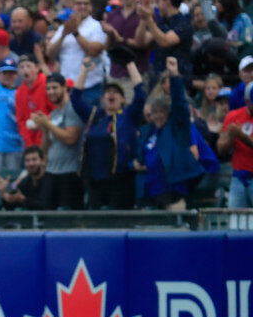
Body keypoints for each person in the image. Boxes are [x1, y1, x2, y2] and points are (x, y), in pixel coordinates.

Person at [71, 59, 145, 209]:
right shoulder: (95, 116)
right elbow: (75, 98)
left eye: (116, 92)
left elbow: (140, 95)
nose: (111, 94)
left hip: (121, 178)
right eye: (107, 92)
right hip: (95, 178)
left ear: (123, 99)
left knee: (119, 217)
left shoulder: (128, 115)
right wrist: (84, 70)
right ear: (103, 99)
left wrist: (130, 65)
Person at [136, 58, 203, 210]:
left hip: (173, 191)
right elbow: (138, 157)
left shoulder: (177, 129)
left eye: (162, 112)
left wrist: (174, 75)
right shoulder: (148, 132)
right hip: (149, 192)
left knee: (176, 224)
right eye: (155, 112)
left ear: (169, 113)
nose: (158, 115)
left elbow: (180, 104)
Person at [30, 73, 83, 209]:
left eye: (54, 88)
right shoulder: (54, 114)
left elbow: (71, 138)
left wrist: (48, 124)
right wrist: (44, 128)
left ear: (64, 88)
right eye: (48, 88)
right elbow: (45, 148)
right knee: (48, 213)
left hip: (69, 173)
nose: (51, 92)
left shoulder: (72, 108)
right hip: (52, 171)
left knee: (67, 215)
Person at [47, 0, 107, 106]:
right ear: (73, 6)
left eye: (86, 4)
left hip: (90, 86)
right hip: (67, 86)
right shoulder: (64, 27)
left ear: (91, 7)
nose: (82, 6)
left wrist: (75, 32)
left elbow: (94, 51)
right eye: (79, 3)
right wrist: (63, 34)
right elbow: (50, 53)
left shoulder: (96, 26)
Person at [218, 83, 253, 209]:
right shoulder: (233, 116)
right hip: (238, 178)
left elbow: (242, 137)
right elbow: (221, 148)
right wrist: (232, 137)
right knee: (235, 218)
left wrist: (242, 136)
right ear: (247, 101)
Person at [0, 146, 49, 210]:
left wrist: (23, 200)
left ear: (42, 161)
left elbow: (45, 204)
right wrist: (3, 191)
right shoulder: (26, 182)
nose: (31, 164)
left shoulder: (49, 180)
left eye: (34, 159)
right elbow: (10, 206)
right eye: (27, 160)